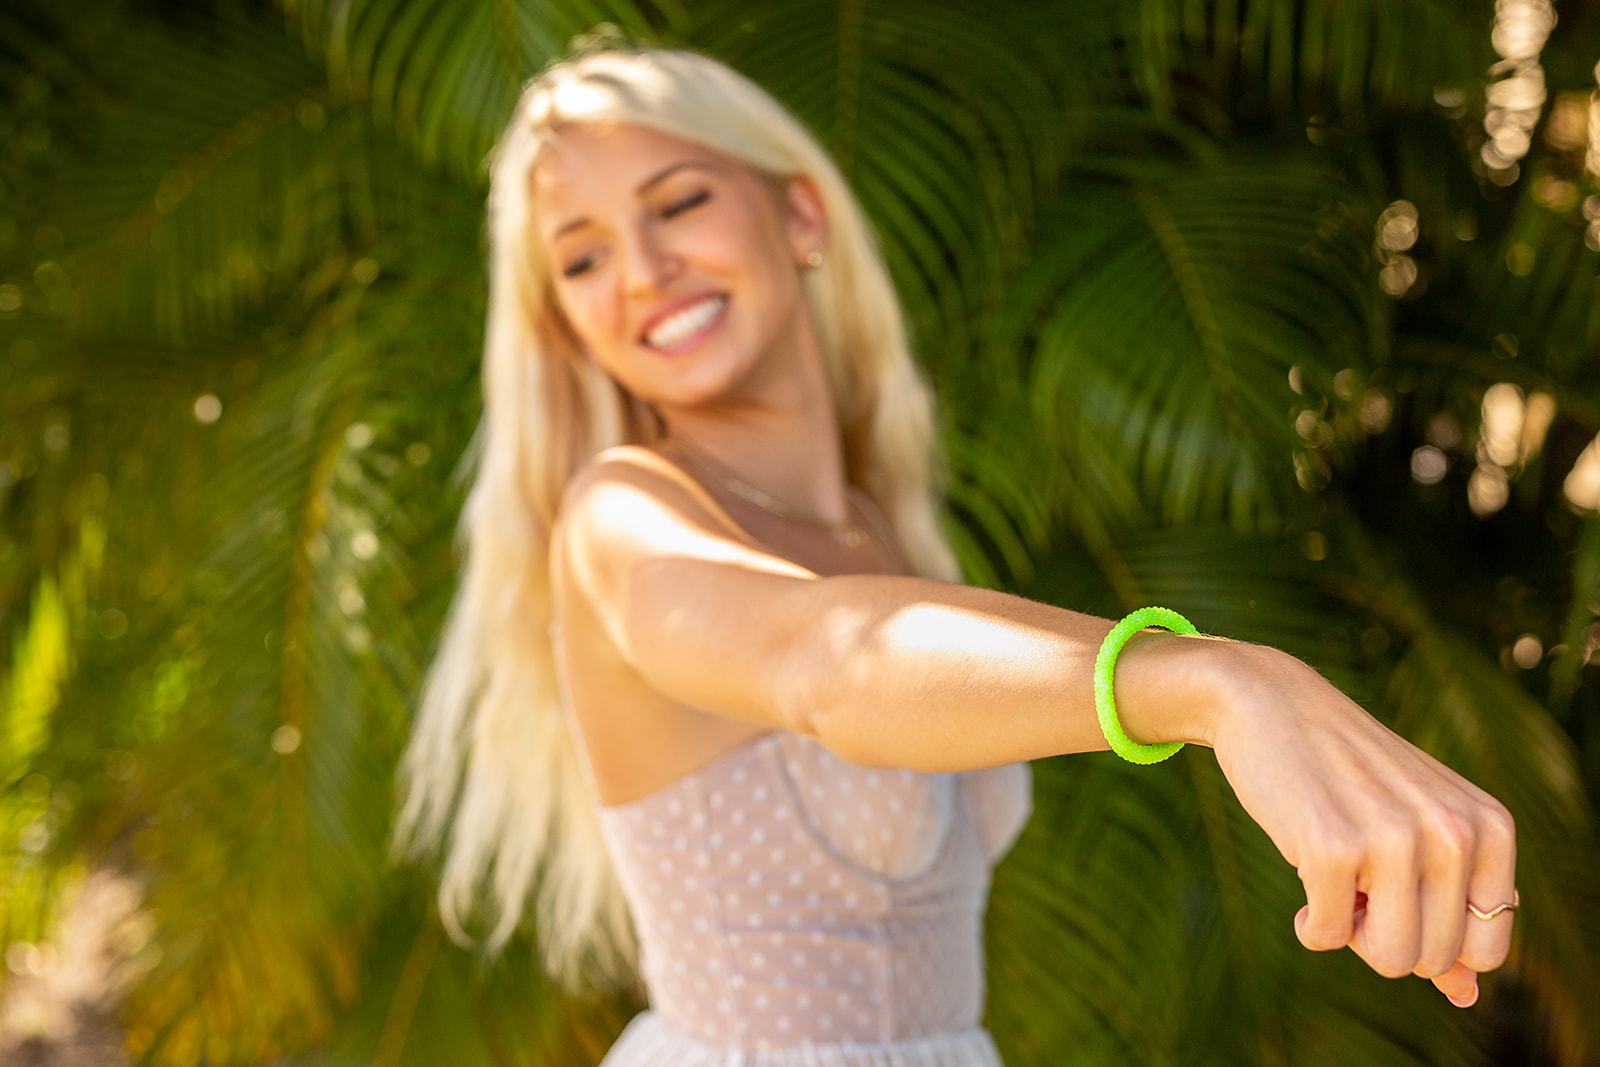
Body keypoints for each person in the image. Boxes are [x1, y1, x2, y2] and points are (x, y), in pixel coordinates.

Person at [389, 29, 1518, 1066]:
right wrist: (1219, 683)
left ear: (800, 216)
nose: (639, 271)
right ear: (563, 324)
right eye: (580, 260)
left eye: (678, 201)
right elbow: (826, 659)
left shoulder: (880, 529)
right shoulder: (621, 517)